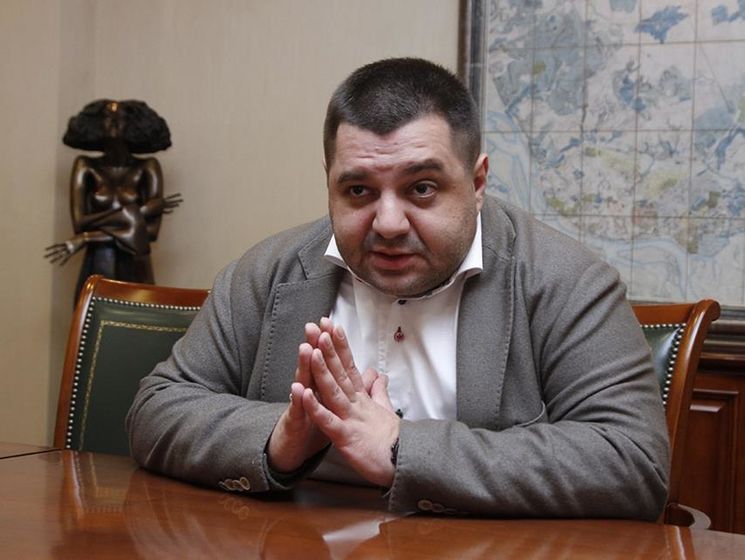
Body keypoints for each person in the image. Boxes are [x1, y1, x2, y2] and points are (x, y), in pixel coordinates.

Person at [126, 58, 669, 519]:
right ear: (329, 181)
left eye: (422, 188)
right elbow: (158, 408)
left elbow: (631, 461)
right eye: (358, 190)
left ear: (477, 182)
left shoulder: (567, 281)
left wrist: (398, 448)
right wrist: (280, 440)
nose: (387, 223)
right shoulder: (267, 271)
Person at [45, 99, 182, 300]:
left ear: (133, 125)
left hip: (136, 263)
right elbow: (80, 223)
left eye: (121, 118)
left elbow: (150, 233)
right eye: (108, 117)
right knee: (92, 315)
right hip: (98, 262)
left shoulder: (148, 167)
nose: (114, 122)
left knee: (138, 316)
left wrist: (86, 238)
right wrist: (139, 213)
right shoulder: (85, 166)